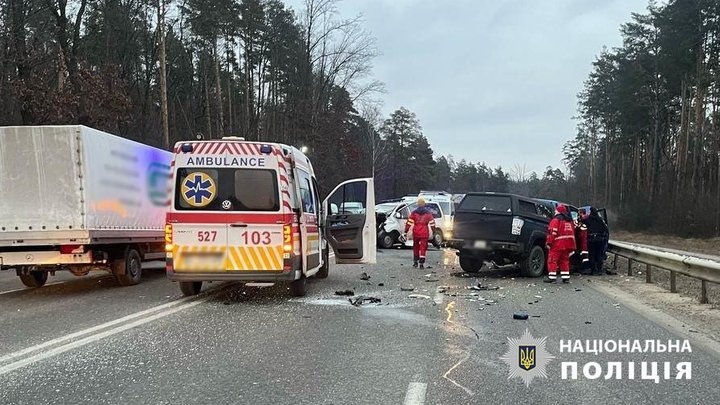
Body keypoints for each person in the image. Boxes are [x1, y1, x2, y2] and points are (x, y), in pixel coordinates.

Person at [544, 204, 576, 283]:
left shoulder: (556, 220)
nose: (555, 211)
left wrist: (548, 242)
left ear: (558, 211)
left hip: (557, 244)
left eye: (556, 210)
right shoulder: (569, 221)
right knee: (564, 261)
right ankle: (565, 278)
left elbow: (553, 232)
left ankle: (552, 277)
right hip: (567, 245)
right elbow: (573, 233)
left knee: (552, 260)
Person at [403, 199, 436, 268]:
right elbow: (432, 223)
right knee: (423, 247)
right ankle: (421, 263)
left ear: (418, 204)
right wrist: (434, 231)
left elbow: (409, 222)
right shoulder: (428, 213)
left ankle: (415, 262)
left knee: (416, 246)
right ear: (424, 204)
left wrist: (406, 230)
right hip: (424, 232)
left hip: (416, 232)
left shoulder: (414, 213)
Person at [583, 207, 610, 275]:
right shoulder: (600, 220)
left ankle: (594, 270)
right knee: (599, 255)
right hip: (600, 240)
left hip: (591, 240)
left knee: (592, 255)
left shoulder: (588, 219)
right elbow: (605, 229)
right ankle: (599, 269)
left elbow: (581, 225)